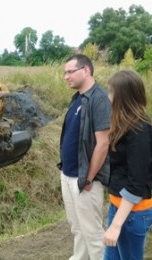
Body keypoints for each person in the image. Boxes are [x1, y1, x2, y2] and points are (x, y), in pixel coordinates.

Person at [58, 54, 111, 260]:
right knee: (77, 229)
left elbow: (103, 143)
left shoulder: (99, 99)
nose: (66, 77)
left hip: (85, 179)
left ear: (86, 70)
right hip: (68, 174)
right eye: (65, 72)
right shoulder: (78, 98)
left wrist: (88, 178)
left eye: (70, 71)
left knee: (92, 233)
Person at [103, 70, 152, 260]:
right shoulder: (125, 125)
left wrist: (116, 226)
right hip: (119, 207)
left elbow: (136, 183)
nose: (108, 96)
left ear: (122, 96)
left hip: (134, 214)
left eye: (111, 91)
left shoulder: (140, 130)